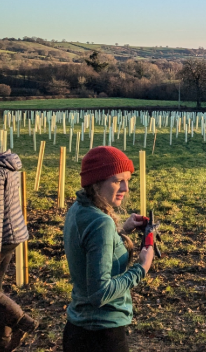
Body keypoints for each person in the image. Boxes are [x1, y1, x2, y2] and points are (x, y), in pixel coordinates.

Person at [63, 146, 155, 352]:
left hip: (78, 329)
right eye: (117, 180)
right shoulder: (101, 222)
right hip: (102, 336)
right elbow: (100, 293)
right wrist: (142, 267)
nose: (125, 188)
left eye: (127, 181)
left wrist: (122, 231)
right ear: (96, 183)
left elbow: (91, 248)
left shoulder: (78, 209)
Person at [0, 150, 38, 351]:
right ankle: (4, 339)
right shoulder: (7, 162)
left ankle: (21, 320)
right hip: (13, 234)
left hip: (3, 236)